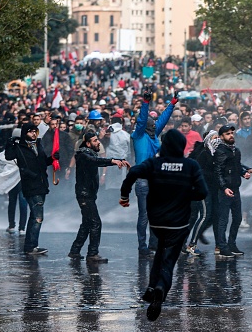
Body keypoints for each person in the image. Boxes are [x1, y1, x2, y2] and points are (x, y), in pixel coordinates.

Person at [120, 129, 208, 322]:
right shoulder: (190, 165)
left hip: (158, 222)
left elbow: (134, 171)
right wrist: (184, 195)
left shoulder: (154, 163)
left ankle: (152, 287)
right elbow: (202, 192)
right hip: (178, 224)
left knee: (160, 250)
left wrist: (124, 194)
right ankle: (160, 288)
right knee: (168, 260)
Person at [68, 132, 130, 262]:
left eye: (98, 140)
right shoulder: (83, 155)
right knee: (96, 223)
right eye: (95, 141)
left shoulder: (89, 153)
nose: (98, 143)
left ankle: (75, 251)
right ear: (88, 143)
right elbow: (96, 161)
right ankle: (92, 254)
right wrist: (113, 161)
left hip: (88, 194)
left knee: (87, 223)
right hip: (85, 195)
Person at [131, 90, 177, 256]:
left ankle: (153, 244)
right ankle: (142, 247)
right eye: (151, 123)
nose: (154, 124)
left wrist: (172, 103)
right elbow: (143, 119)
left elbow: (163, 119)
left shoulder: (153, 135)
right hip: (143, 180)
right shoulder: (138, 135)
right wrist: (145, 102)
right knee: (144, 215)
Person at [5, 123, 58, 255]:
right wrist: (10, 143)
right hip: (30, 185)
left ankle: (30, 245)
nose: (34, 134)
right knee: (38, 217)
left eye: (35, 131)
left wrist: (52, 159)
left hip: (42, 184)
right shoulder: (19, 147)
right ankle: (31, 246)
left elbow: (42, 162)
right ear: (24, 133)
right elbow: (9, 156)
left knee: (34, 216)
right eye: (30, 132)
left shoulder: (38, 145)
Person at [214, 124, 252, 258]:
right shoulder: (220, 151)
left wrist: (244, 173)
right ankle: (222, 246)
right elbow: (218, 171)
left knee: (237, 218)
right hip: (225, 190)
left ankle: (232, 244)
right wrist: (224, 188)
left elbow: (237, 166)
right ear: (221, 137)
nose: (231, 135)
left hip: (235, 189)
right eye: (227, 134)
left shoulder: (235, 150)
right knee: (223, 220)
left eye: (232, 133)